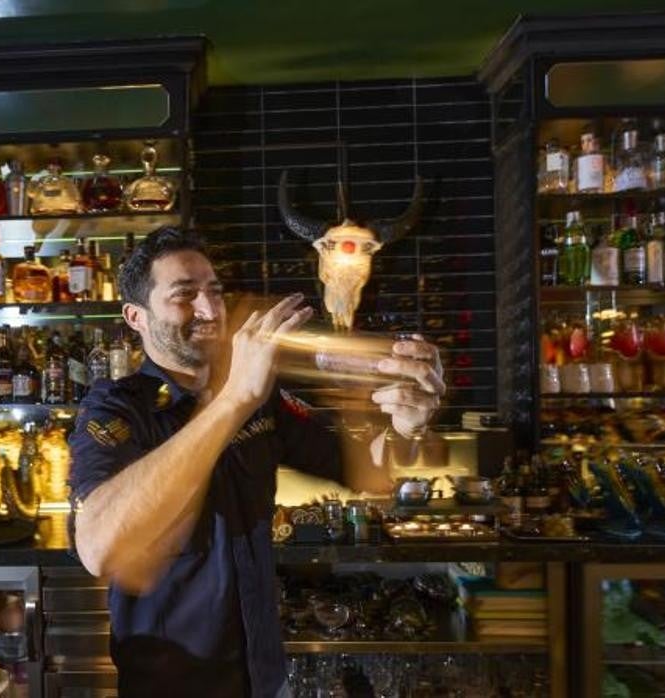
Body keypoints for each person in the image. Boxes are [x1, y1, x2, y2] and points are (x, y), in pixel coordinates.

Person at [69, 226, 444, 697]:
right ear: (135, 316)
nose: (210, 310)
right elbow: (99, 549)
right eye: (184, 295)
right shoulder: (118, 409)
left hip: (264, 678)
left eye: (214, 292)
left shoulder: (258, 398)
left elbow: (365, 471)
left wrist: (406, 426)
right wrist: (234, 399)